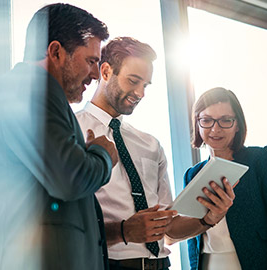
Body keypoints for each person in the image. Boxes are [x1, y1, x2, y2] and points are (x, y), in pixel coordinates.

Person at [0, 4, 118, 270]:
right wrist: (103, 154)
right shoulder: (28, 90)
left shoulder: (35, 94)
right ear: (56, 51)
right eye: (91, 61)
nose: (95, 75)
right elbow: (70, 178)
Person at [76, 37, 235, 270]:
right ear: (106, 71)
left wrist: (208, 219)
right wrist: (123, 231)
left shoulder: (150, 144)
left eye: (146, 85)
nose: (140, 93)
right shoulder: (73, 132)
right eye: (133, 81)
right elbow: (65, 224)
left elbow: (169, 227)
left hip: (161, 265)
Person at [184, 87, 267, 270]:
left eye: (225, 120)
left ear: (237, 124)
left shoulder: (262, 160)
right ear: (197, 123)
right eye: (206, 120)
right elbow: (194, 242)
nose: (215, 129)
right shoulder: (192, 174)